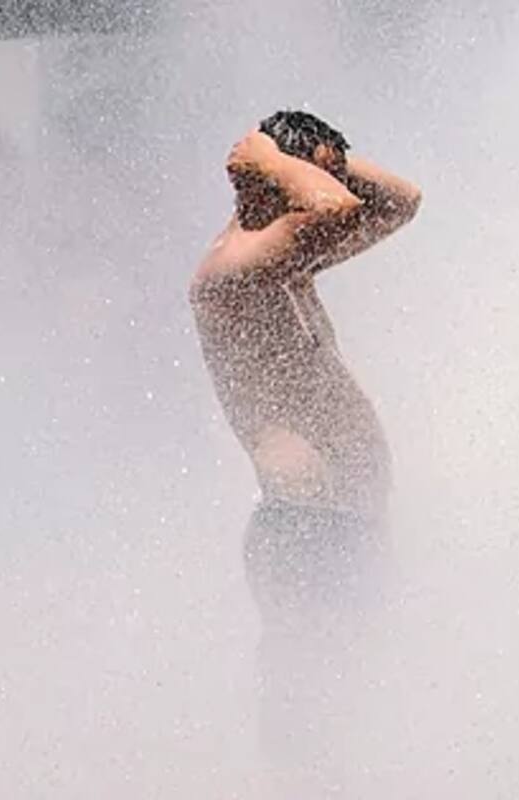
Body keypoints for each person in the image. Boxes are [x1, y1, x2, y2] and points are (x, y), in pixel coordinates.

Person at [188, 110, 421, 790]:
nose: (328, 185)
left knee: (364, 704)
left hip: (345, 525)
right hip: (302, 527)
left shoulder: (289, 262)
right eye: (312, 174)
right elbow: (340, 209)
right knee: (311, 724)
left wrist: (322, 161)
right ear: (269, 184)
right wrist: (269, 160)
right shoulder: (234, 267)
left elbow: (400, 202)